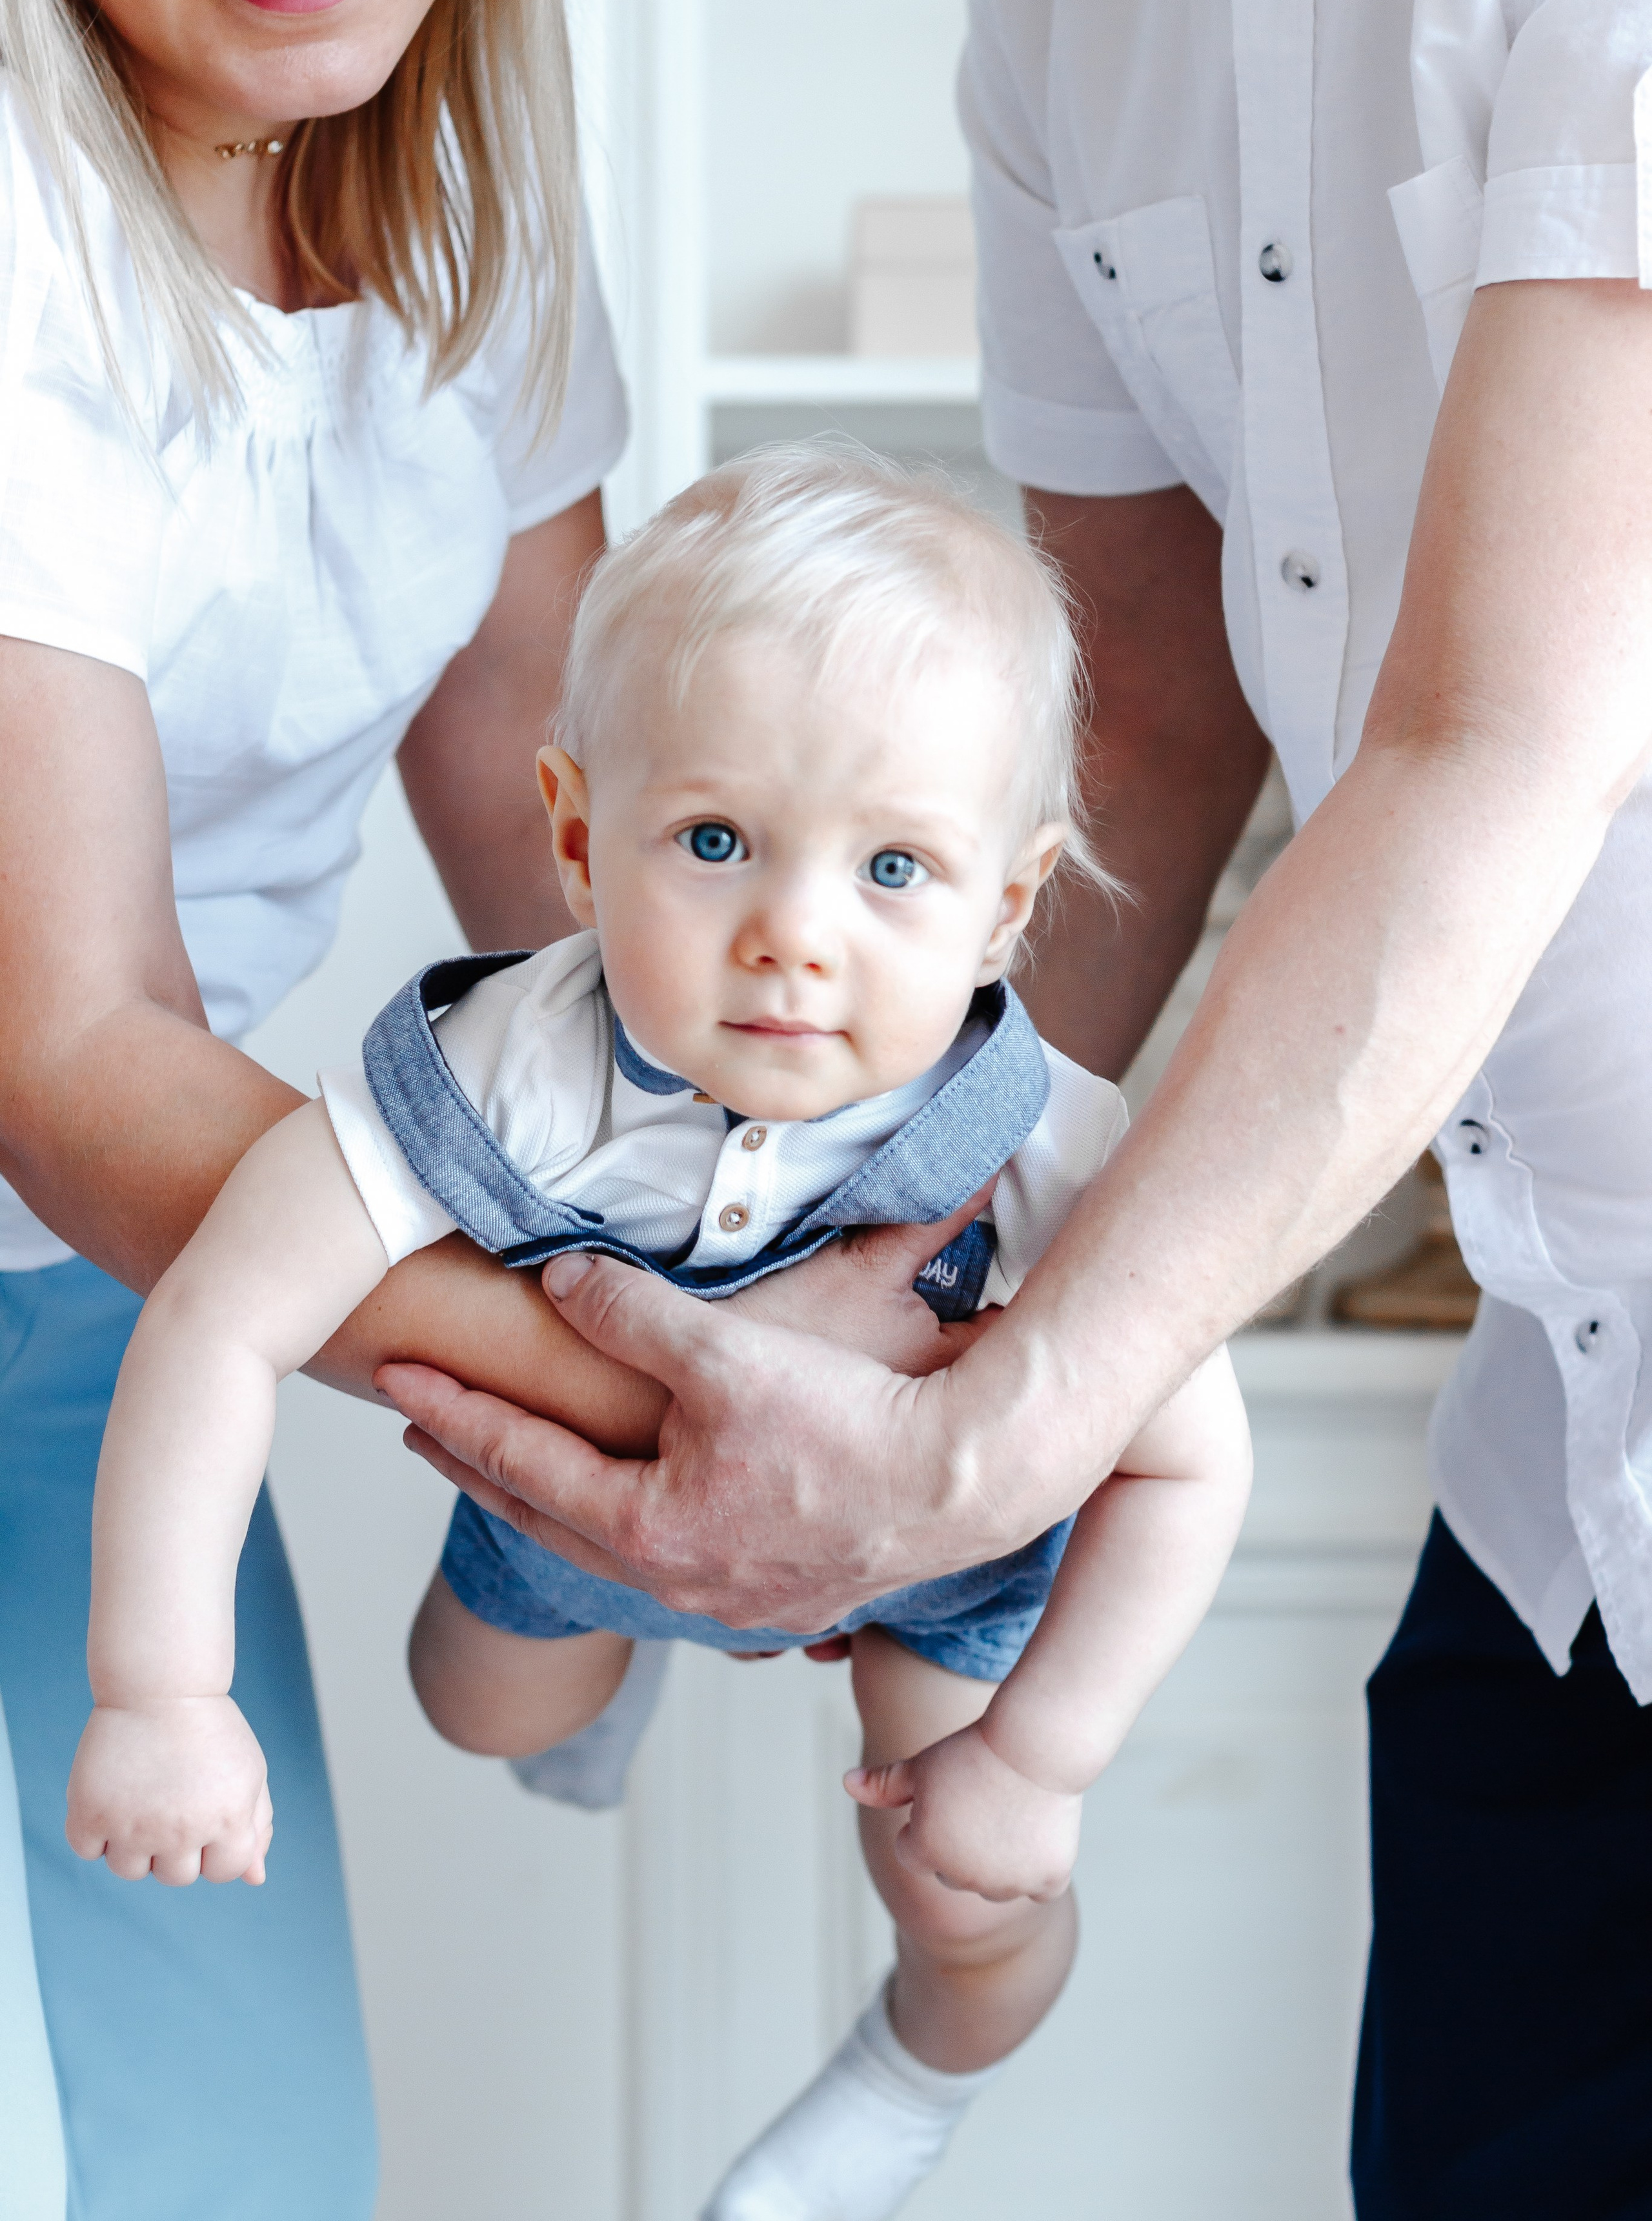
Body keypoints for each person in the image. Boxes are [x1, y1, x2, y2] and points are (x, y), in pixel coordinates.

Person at [379, 0, 1652, 2211]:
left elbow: (1507, 739)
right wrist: (826, 1247)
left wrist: (980, 1442)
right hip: (1562, 1494)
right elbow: (1148, 712)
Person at [65, 448, 1251, 2221]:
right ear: (573, 832)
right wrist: (161, 1692)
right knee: (470, 1707)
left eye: (896, 870)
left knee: (973, 1879)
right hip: (585, 1507)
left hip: (937, 1551)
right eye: (714, 843)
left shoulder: (1045, 1133)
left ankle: (925, 2062)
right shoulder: (511, 1061)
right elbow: (228, 1308)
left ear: (1010, 904)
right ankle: (621, 1669)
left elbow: (1194, 1456)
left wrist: (1042, 1758)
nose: (791, 939)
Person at [0, 0, 631, 2198]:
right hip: (119, 1200)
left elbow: (569, 894)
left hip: (104, 1306)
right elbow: (68, 1050)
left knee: (234, 2164)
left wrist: (800, 1229)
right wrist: (638, 1382)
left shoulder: (460, 208)